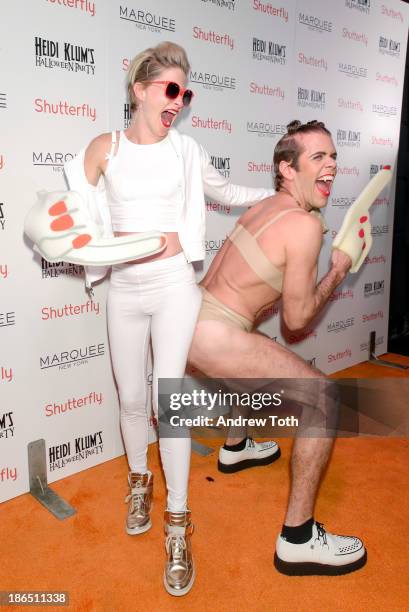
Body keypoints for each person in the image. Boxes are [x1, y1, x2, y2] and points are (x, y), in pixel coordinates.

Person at [63, 41, 275, 596]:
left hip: (175, 286)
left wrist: (281, 196)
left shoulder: (186, 149)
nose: (179, 101)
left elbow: (226, 191)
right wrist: (61, 230)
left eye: (186, 92)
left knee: (168, 398)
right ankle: (140, 481)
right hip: (125, 291)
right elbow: (70, 216)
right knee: (131, 397)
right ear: (140, 90)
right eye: (170, 90)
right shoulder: (103, 149)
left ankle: (178, 525)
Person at [188, 120, 368, 576]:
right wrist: (338, 270)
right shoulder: (304, 226)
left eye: (333, 157)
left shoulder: (267, 205)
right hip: (214, 331)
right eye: (318, 158)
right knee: (323, 397)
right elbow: (297, 322)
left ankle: (235, 447)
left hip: (192, 317)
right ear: (287, 169)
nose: (331, 166)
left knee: (256, 350)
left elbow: (258, 297)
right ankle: (298, 538)